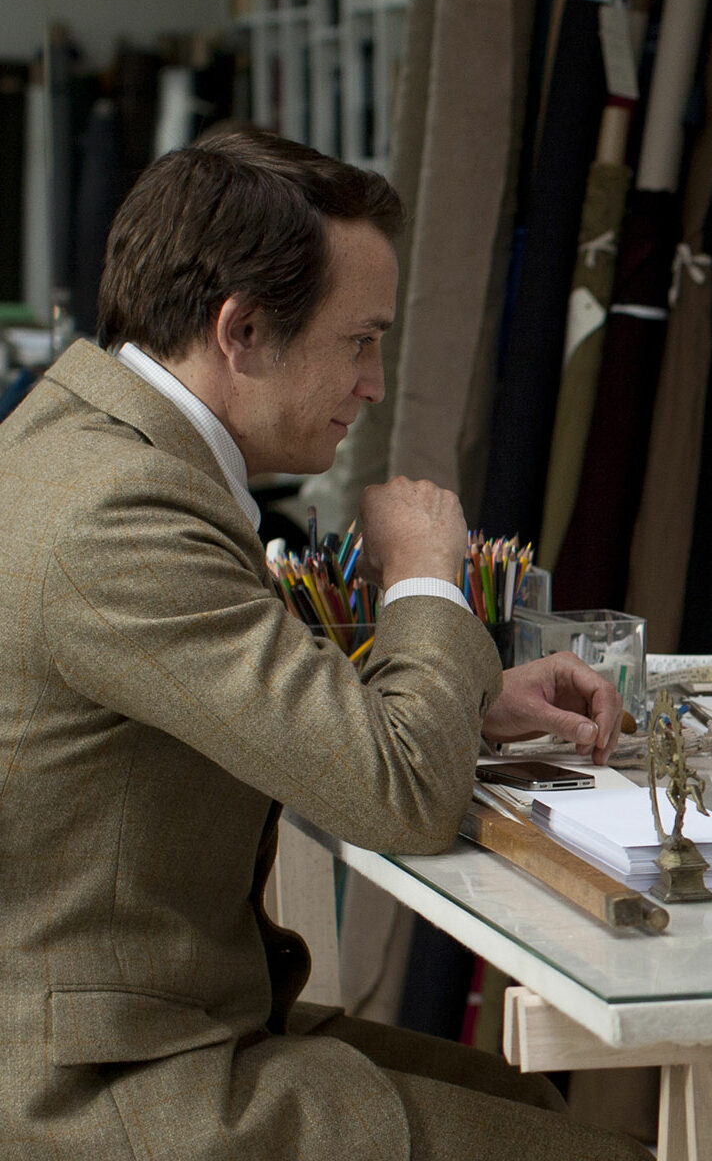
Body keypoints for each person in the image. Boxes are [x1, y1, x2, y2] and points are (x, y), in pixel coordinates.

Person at [0, 127, 650, 1160]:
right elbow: (399, 795)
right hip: (99, 1084)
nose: (375, 382)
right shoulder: (120, 513)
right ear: (244, 330)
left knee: (524, 1103)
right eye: (360, 341)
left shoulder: (72, 440)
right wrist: (425, 573)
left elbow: (215, 684)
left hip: (128, 1020)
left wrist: (465, 694)